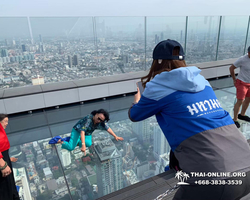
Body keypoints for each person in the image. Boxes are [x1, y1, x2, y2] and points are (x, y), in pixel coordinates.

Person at [128, 39, 250, 200]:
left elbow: (134, 115)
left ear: (157, 62)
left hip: (215, 179)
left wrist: (137, 100)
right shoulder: (202, 81)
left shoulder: (157, 86)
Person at [52, 109, 123, 155]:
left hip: (87, 134)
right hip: (78, 131)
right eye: (98, 118)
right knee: (71, 147)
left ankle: (73, 140)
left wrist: (115, 136)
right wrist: (83, 145)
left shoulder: (101, 122)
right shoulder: (88, 119)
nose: (99, 121)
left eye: (101, 120)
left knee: (89, 143)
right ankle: (60, 141)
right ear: (96, 114)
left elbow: (108, 128)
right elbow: (82, 132)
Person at [0, 114, 20, 200]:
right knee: (6, 188)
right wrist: (2, 163)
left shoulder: (2, 132)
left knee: (10, 188)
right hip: (2, 164)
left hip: (4, 160)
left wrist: (8, 159)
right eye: (5, 121)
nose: (7, 123)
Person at [229, 46, 250, 128]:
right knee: (240, 101)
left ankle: (242, 115)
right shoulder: (242, 59)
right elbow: (231, 68)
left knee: (248, 100)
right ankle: (235, 119)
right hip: (242, 82)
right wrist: (234, 79)